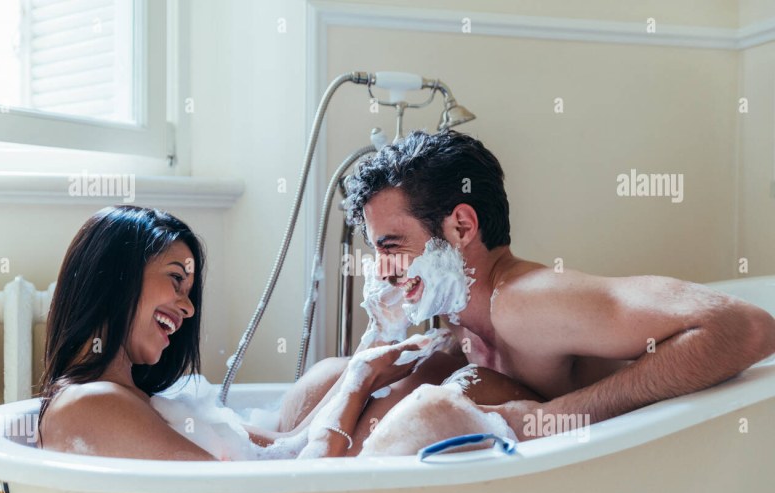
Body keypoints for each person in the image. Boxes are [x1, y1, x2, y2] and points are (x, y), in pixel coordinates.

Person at [282, 129, 775, 446]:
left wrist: (551, 418)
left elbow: (748, 326)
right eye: (376, 251)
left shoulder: (523, 301)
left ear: (460, 227)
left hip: (658, 468)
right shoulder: (461, 326)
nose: (381, 270)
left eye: (392, 245)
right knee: (336, 375)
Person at [37, 205, 425, 460]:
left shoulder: (141, 400)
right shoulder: (88, 405)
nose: (188, 308)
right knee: (420, 391)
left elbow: (281, 451)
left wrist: (371, 349)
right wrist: (359, 382)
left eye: (189, 293)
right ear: (115, 277)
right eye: (175, 279)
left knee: (335, 373)